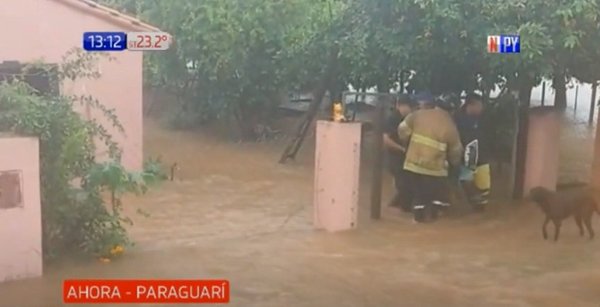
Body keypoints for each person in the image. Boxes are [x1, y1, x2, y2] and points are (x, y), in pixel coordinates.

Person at [397, 92, 463, 223]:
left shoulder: (417, 115)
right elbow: (456, 149)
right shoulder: (449, 123)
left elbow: (402, 130)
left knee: (418, 192)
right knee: (434, 193)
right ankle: (434, 216)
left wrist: (406, 143)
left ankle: (418, 218)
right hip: (435, 167)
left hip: (414, 162)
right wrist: (454, 164)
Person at [454, 93, 491, 212]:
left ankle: (481, 207)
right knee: (466, 180)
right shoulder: (457, 118)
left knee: (484, 186)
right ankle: (474, 202)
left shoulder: (483, 118)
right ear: (471, 105)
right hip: (465, 156)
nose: (481, 108)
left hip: (482, 155)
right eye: (479, 105)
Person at [383, 94, 414, 212]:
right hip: (395, 156)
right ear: (398, 106)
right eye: (404, 106)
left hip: (409, 156)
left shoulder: (412, 118)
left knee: (408, 183)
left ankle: (395, 206)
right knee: (403, 184)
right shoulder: (392, 118)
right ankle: (401, 209)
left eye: (408, 107)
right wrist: (402, 149)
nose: (406, 109)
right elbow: (385, 140)